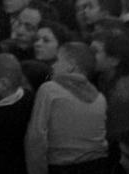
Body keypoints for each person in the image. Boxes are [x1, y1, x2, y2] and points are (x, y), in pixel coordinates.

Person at [24, 42, 108, 174]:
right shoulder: (100, 98)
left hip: (62, 167)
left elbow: (36, 138)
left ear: (71, 66)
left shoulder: (49, 89)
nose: (53, 65)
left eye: (58, 60)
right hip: (98, 165)